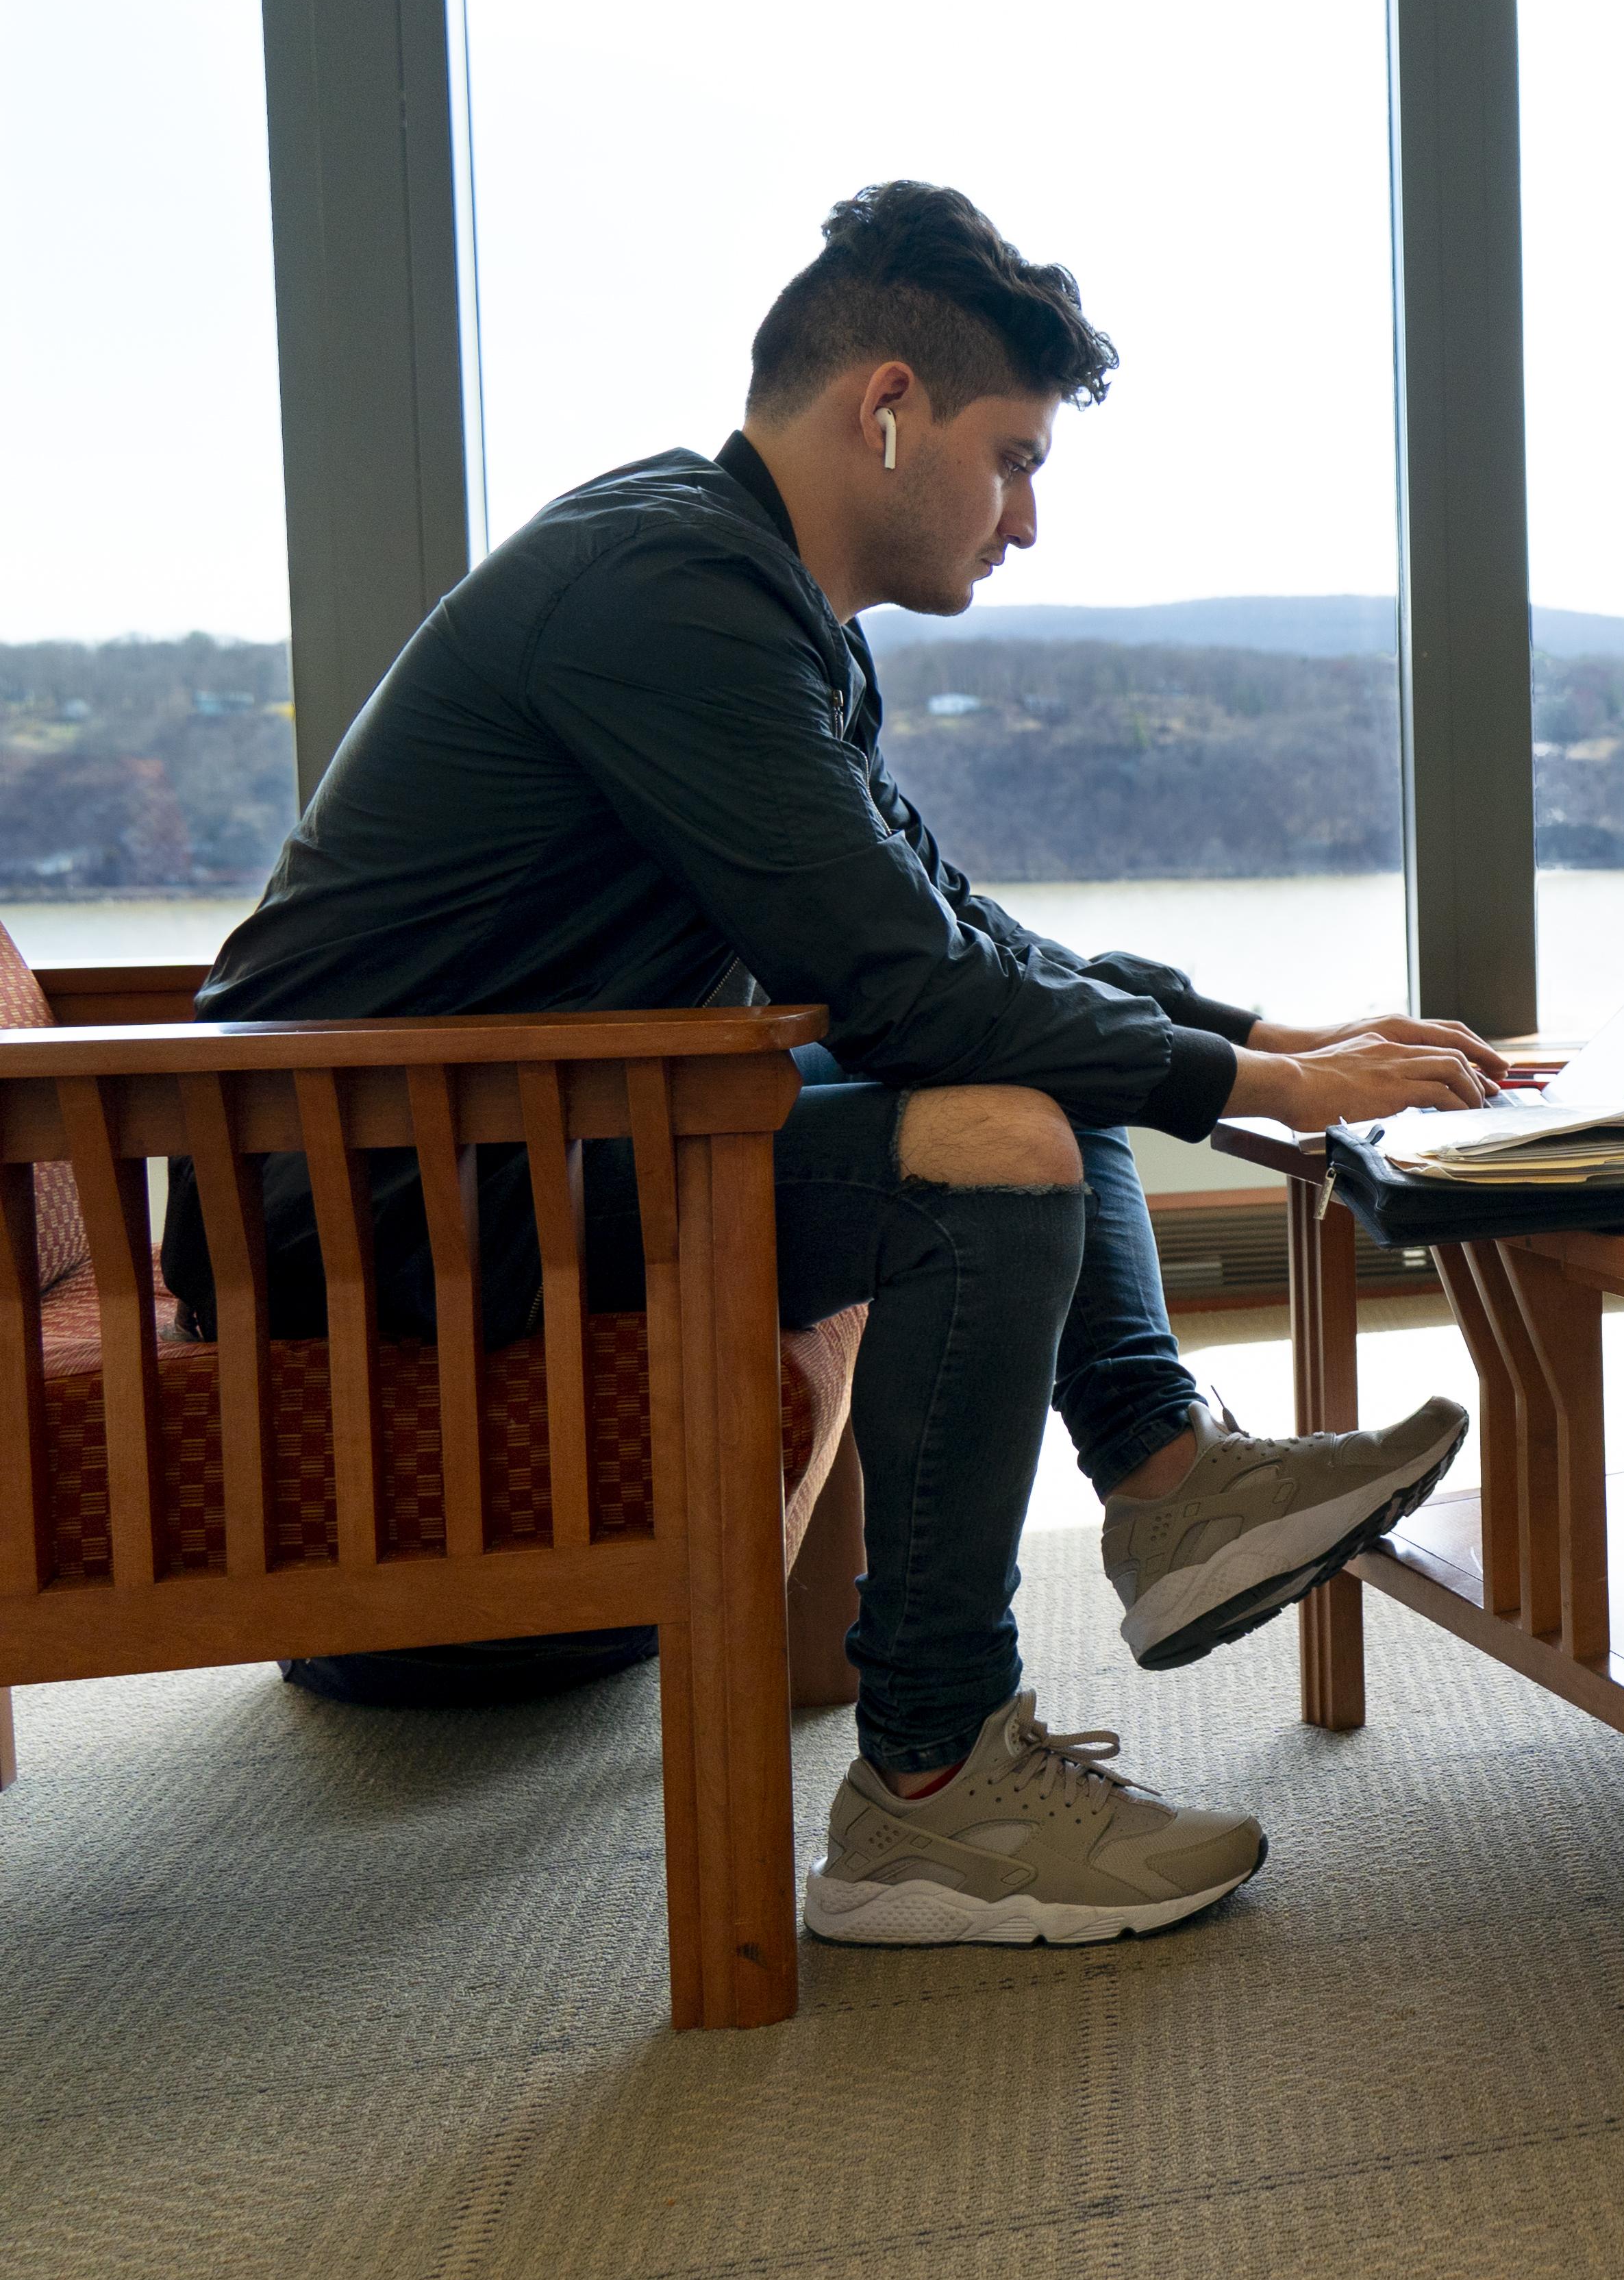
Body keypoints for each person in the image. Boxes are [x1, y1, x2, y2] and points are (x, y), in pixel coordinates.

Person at [182, 181, 1493, 1949]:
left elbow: (965, 937)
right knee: (995, 1135)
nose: (1024, 522)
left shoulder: (761, 602)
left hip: (523, 1127)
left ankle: (1168, 1491)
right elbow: (915, 989)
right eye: (1013, 457)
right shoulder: (673, 597)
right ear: (889, 410)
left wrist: (1281, 1039)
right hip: (367, 1193)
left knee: (1033, 1066)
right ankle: (935, 1792)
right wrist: (1263, 1099)